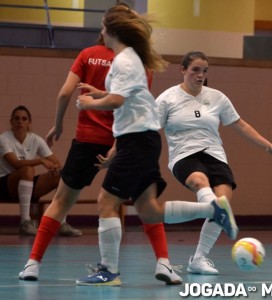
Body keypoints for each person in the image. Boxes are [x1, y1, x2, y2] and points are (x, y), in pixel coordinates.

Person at [72, 5, 238, 286]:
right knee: (149, 210)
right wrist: (103, 93)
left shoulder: (124, 60)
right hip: (142, 140)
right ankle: (214, 210)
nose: (100, 32)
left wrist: (92, 103)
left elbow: (118, 101)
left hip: (136, 141)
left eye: (102, 27)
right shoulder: (130, 58)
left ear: (112, 31)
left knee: (106, 202)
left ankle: (108, 271)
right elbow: (128, 95)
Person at [18, 34, 182, 284]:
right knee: (145, 201)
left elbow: (64, 93)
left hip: (87, 140)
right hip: (127, 141)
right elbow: (136, 106)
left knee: (61, 201)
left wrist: (58, 124)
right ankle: (164, 262)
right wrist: (117, 144)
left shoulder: (87, 54)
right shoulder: (141, 61)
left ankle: (32, 264)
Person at [156, 51, 272, 275]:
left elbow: (241, 125)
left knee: (224, 201)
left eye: (204, 71)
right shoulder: (167, 99)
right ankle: (215, 210)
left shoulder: (217, 97)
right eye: (195, 70)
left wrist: (269, 146)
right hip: (184, 155)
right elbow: (148, 129)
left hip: (215, 155)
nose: (200, 75)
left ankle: (199, 259)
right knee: (200, 181)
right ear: (183, 70)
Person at [0, 105, 81, 236]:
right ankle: (25, 222)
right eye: (17, 118)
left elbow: (56, 162)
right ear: (11, 122)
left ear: (29, 122)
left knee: (61, 175)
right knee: (27, 170)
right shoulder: (4, 139)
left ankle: (60, 222)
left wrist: (54, 168)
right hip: (4, 185)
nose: (20, 121)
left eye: (24, 119)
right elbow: (15, 164)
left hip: (25, 185)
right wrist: (41, 160)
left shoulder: (35, 139)